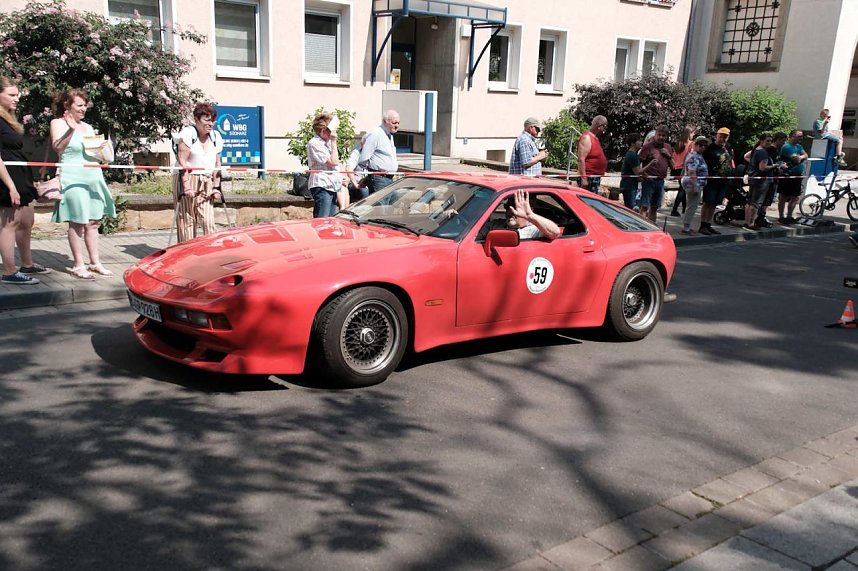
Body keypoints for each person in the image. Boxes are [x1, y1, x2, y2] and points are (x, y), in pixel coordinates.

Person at [50, 88, 116, 279]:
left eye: (85, 105)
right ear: (67, 106)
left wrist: (103, 149)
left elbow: (96, 154)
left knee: (93, 222)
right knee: (77, 220)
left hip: (93, 176)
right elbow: (58, 148)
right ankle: (78, 264)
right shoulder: (58, 123)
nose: (83, 109)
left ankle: (95, 262)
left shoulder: (88, 127)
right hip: (72, 176)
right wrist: (70, 130)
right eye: (79, 105)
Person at [0, 76, 49, 285]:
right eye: (11, 94)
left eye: (17, 94)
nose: (16, 98)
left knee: (27, 220)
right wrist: (10, 185)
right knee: (10, 224)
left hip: (20, 174)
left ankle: (27, 264)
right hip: (7, 176)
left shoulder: (9, 118)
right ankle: (10, 272)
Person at [173, 102, 223, 243]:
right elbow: (182, 161)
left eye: (212, 120)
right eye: (206, 120)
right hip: (187, 178)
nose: (211, 123)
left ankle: (211, 252)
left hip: (206, 180)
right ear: (196, 119)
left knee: (208, 220)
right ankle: (185, 255)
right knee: (187, 221)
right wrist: (187, 186)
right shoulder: (188, 133)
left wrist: (216, 187)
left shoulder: (215, 137)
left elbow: (217, 164)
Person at [698, 127, 733, 235]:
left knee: (715, 203)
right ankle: (703, 224)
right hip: (712, 179)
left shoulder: (728, 147)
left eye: (725, 137)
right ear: (716, 136)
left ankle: (708, 224)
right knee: (708, 202)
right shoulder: (710, 148)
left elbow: (731, 160)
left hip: (723, 180)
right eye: (721, 136)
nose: (723, 138)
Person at [306, 112, 340, 218]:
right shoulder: (315, 143)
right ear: (322, 131)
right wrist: (334, 142)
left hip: (332, 185)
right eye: (331, 130)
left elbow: (337, 163)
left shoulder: (327, 142)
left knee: (331, 221)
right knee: (322, 220)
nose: (334, 133)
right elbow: (333, 162)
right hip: (322, 185)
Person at [358, 109, 399, 193]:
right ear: (385, 121)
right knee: (380, 206)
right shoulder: (376, 134)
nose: (397, 126)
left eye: (398, 123)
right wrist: (373, 173)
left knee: (388, 205)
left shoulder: (389, 135)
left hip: (388, 178)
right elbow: (364, 158)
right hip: (379, 179)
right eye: (394, 123)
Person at [638, 125, 673, 222]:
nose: (661, 137)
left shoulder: (668, 147)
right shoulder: (647, 147)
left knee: (654, 207)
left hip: (660, 181)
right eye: (659, 135)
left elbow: (673, 166)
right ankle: (642, 227)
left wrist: (668, 155)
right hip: (648, 180)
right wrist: (643, 174)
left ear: (666, 137)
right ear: (655, 135)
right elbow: (638, 163)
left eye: (664, 135)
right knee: (644, 206)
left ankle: (652, 227)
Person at [743, 134, 777, 231]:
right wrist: (774, 166)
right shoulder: (763, 152)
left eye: (771, 141)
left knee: (750, 202)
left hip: (754, 178)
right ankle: (751, 223)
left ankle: (747, 222)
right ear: (761, 141)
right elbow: (763, 168)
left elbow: (747, 157)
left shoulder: (756, 150)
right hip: (762, 180)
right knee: (755, 203)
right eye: (767, 140)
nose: (769, 143)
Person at [679, 136, 709, 235]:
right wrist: (695, 186)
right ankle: (686, 228)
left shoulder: (694, 155)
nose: (703, 147)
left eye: (705, 146)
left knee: (691, 205)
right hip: (693, 185)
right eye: (701, 145)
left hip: (693, 183)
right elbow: (692, 172)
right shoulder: (694, 156)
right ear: (695, 145)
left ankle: (687, 226)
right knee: (692, 206)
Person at [777, 129, 807, 224]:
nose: (801, 138)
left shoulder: (799, 146)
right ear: (792, 136)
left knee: (795, 197)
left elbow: (805, 155)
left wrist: (801, 157)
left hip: (798, 175)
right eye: (799, 136)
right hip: (788, 175)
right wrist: (801, 158)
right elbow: (796, 160)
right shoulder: (787, 147)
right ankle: (781, 216)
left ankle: (789, 216)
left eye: (802, 136)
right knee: (784, 196)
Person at [577, 115, 608, 193]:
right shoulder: (586, 138)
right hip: (589, 178)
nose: (604, 130)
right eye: (604, 127)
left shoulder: (595, 138)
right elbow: (581, 159)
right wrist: (584, 179)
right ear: (599, 126)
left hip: (594, 178)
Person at [670, 126, 697, 216]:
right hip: (684, 168)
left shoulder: (678, 144)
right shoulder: (691, 144)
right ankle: (674, 210)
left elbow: (673, 157)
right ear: (689, 133)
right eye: (693, 133)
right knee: (682, 190)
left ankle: (684, 209)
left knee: (683, 189)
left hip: (676, 168)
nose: (694, 135)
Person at [619, 133, 643, 210]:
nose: (641, 143)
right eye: (639, 141)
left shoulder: (634, 155)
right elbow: (637, 172)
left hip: (631, 185)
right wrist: (650, 164)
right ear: (632, 143)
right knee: (631, 209)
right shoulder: (632, 155)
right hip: (629, 187)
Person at [344, 133, 368, 201]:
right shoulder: (357, 152)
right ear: (362, 144)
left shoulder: (375, 154)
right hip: (357, 184)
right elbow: (349, 168)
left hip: (371, 183)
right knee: (364, 191)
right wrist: (356, 184)